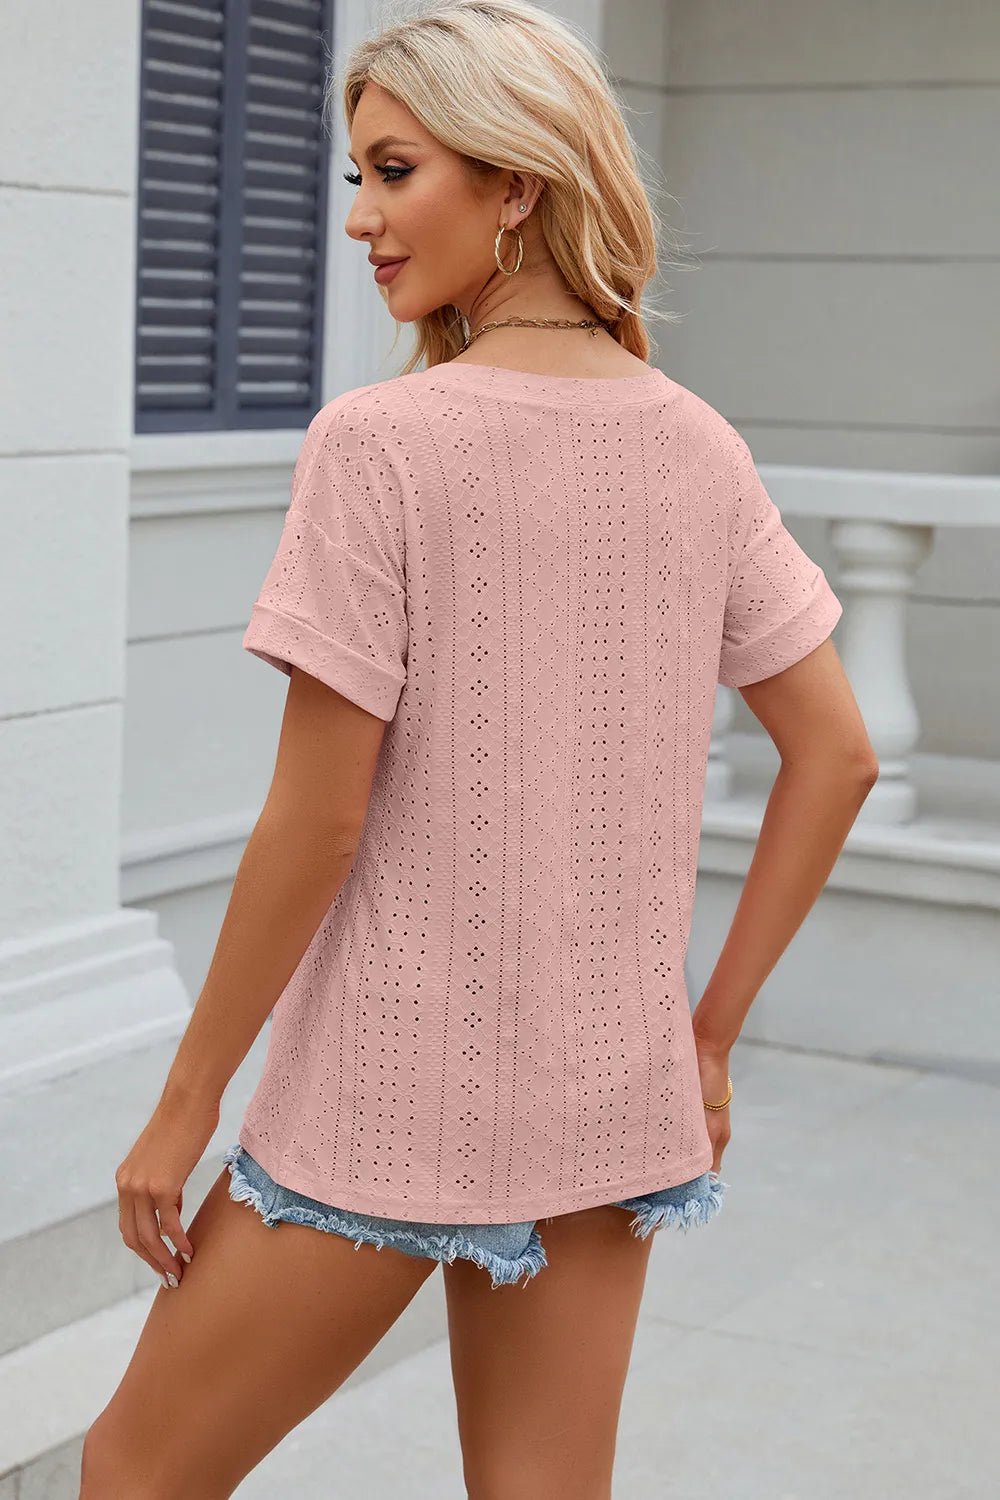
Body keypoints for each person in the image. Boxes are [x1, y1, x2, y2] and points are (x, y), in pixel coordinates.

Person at [80, 3, 878, 1496]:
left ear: (516, 180)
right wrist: (704, 1041)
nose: (359, 220)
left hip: (387, 1097)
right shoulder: (700, 447)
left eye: (395, 171)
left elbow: (317, 822)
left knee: (133, 1473)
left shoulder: (381, 443)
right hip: (610, 1098)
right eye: (357, 178)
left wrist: (181, 1112)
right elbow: (836, 758)